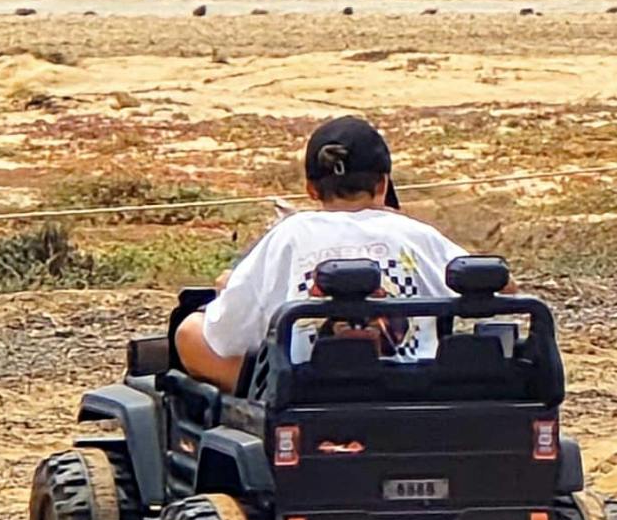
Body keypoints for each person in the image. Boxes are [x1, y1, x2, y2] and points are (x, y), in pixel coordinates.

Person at [174, 116, 470, 393]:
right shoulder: (415, 235)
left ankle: (263, 399)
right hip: (408, 391)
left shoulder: (291, 234)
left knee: (190, 333)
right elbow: (493, 283)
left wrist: (232, 287)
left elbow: (227, 337)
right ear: (382, 184)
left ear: (311, 190)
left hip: (307, 393)